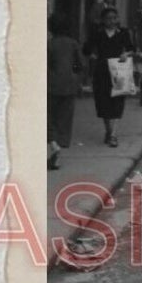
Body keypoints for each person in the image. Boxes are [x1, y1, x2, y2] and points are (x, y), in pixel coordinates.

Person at [83, 5, 135, 148]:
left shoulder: (123, 32)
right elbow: (86, 48)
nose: (112, 21)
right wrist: (93, 55)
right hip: (102, 70)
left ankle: (113, 134)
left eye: (114, 18)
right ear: (103, 20)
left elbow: (132, 49)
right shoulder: (97, 33)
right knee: (103, 101)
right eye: (108, 19)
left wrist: (126, 54)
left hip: (119, 68)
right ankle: (108, 130)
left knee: (118, 102)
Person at [46, 12, 85, 170]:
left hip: (51, 85)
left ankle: (53, 144)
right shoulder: (73, 44)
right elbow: (79, 65)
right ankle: (59, 146)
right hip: (69, 86)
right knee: (64, 119)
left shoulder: (49, 44)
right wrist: (76, 79)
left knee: (48, 117)